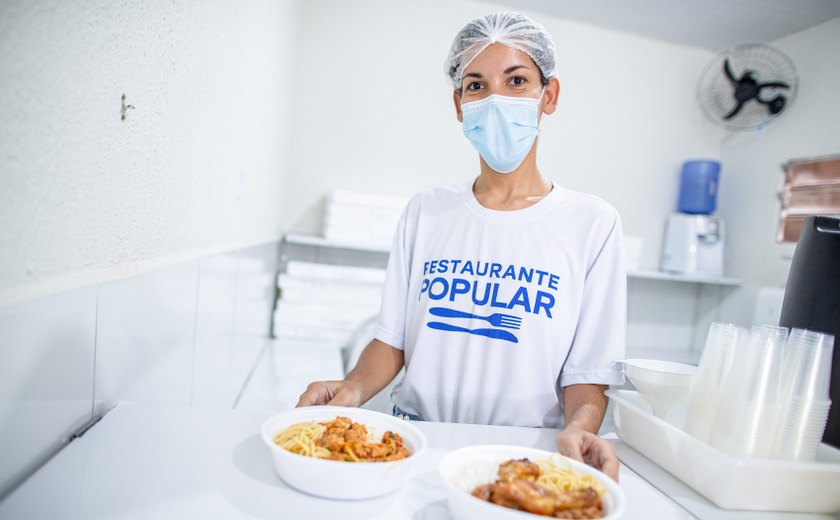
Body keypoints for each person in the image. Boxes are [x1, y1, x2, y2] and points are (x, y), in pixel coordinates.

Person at [297, 11, 626, 481]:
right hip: (414, 445)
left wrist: (580, 428)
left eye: (516, 81)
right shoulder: (427, 211)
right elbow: (393, 340)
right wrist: (352, 388)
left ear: (547, 95)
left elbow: (586, 374)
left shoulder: (591, 223)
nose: (494, 99)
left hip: (525, 455)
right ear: (458, 104)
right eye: (476, 85)